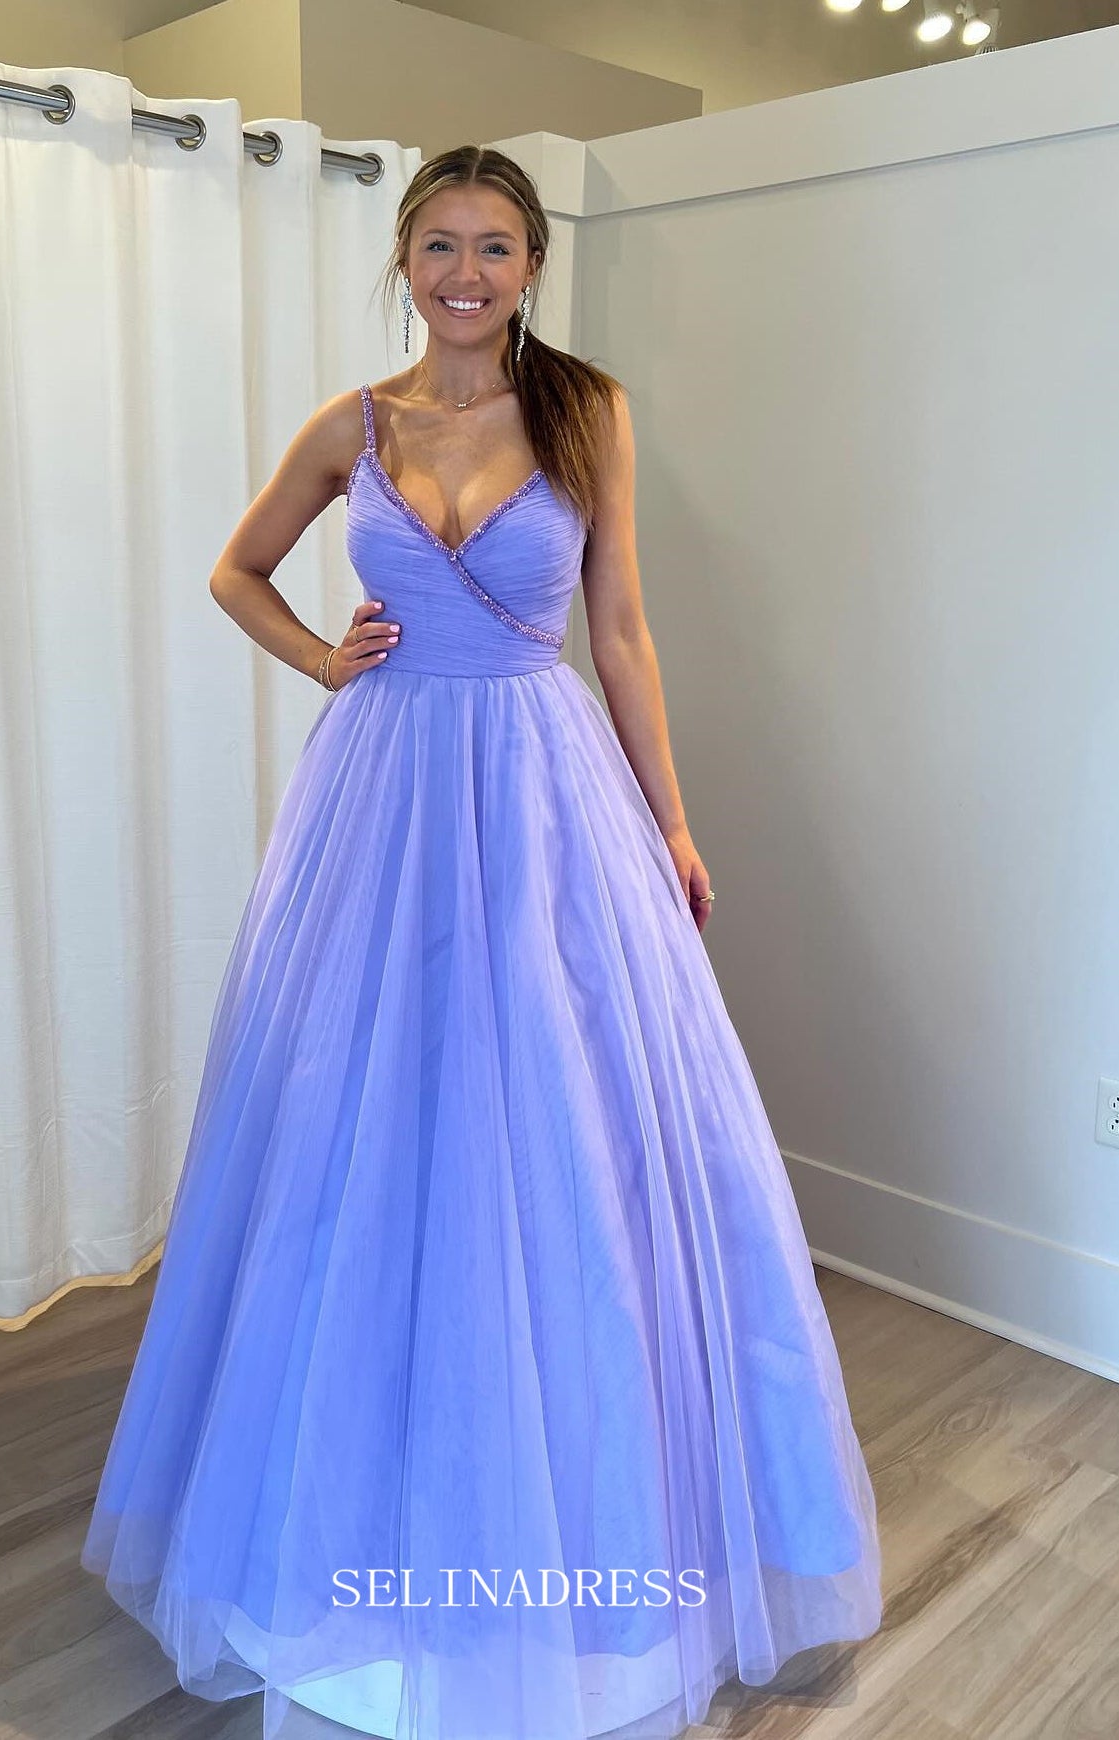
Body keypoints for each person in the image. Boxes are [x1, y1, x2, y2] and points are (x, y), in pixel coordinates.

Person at [80, 143, 883, 1740]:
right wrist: (324, 659)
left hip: (538, 790)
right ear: (404, 257)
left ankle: (571, 1501)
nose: (466, 273)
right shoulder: (354, 426)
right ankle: (359, 1491)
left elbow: (620, 630)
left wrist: (669, 823)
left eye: (495, 246)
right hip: (379, 792)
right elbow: (236, 571)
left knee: (558, 1122)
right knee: (364, 1119)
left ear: (530, 265)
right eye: (440, 244)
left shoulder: (584, 412)